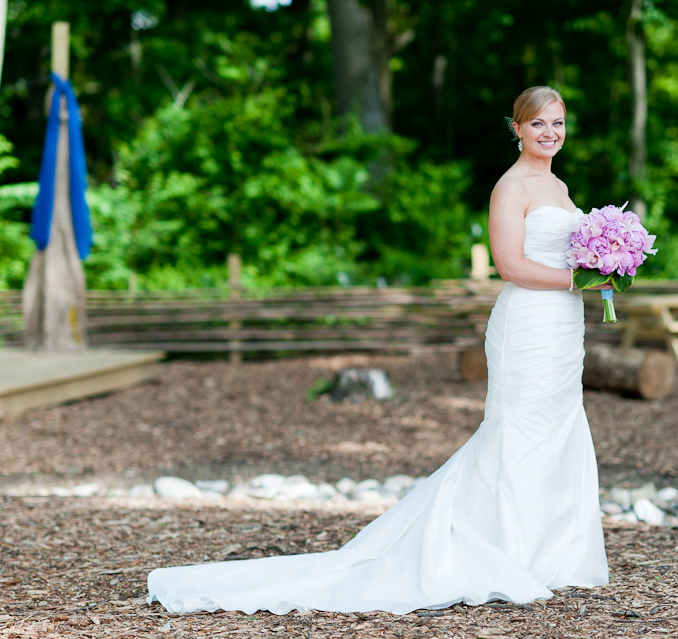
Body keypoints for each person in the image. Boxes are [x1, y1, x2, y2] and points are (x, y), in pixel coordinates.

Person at [146, 85, 609, 615]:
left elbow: (568, 254)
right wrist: (580, 279)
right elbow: (510, 266)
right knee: (518, 428)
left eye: (558, 124)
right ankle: (496, 549)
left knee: (558, 422)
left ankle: (551, 552)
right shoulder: (511, 187)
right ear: (517, 129)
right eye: (538, 124)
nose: (550, 134)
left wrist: (607, 264)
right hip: (528, 323)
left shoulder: (560, 184)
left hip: (562, 326)